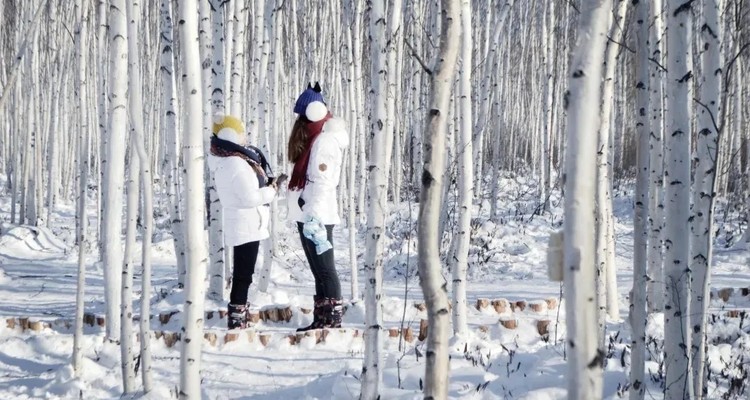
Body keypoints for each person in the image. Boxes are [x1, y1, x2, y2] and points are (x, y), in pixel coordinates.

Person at [208, 114, 280, 329]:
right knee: (243, 274)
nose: (244, 136)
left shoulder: (231, 160)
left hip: (245, 223)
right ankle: (237, 316)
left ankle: (239, 312)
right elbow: (249, 198)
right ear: (229, 135)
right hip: (246, 224)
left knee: (243, 272)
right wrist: (271, 191)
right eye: (240, 133)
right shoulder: (235, 164)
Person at [287, 83, 349, 331]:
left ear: (312, 113)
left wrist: (312, 213)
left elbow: (323, 182)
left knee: (325, 269)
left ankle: (332, 320)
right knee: (318, 270)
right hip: (310, 212)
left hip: (317, 215)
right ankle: (322, 318)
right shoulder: (317, 139)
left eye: (302, 116)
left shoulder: (324, 142)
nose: (299, 121)